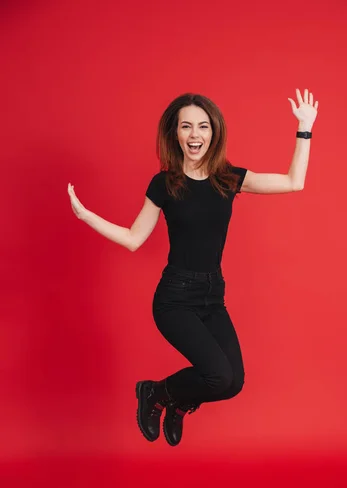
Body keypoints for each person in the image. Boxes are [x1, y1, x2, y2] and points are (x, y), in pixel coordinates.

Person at [68, 89, 318, 447]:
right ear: (176, 134)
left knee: (233, 382)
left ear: (213, 132)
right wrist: (86, 215)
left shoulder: (229, 178)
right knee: (217, 375)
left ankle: (176, 399)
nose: (195, 134)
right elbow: (133, 238)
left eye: (203, 126)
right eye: (186, 127)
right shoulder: (165, 183)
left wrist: (304, 129)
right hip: (175, 299)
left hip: (213, 296)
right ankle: (156, 393)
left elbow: (294, 182)